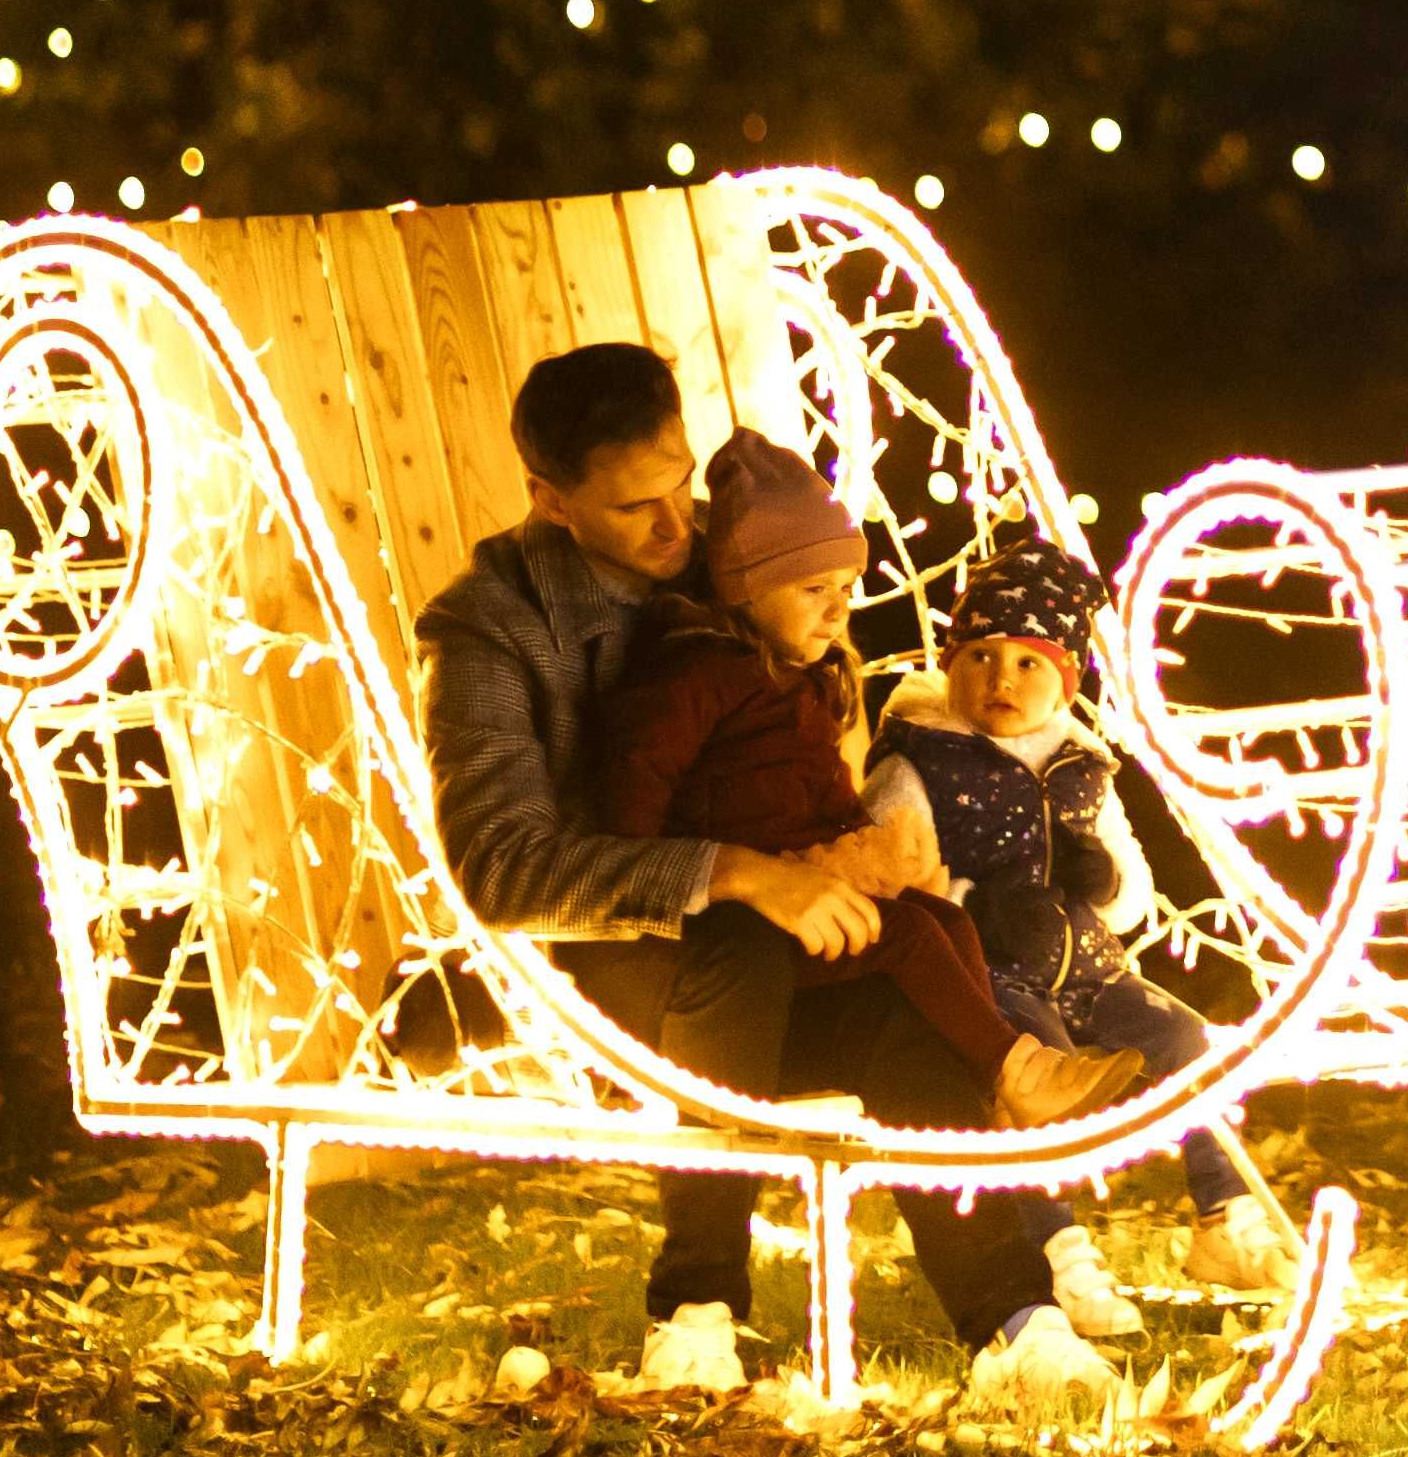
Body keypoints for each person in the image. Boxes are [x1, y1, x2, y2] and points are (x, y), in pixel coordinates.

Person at [416, 342, 1090, 1403]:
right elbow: (498, 869)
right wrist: (736, 873)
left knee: (904, 1000)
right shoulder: (489, 632)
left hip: (795, 942)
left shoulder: (728, 570)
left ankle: (1018, 1321)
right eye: (638, 506)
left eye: (680, 482)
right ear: (551, 500)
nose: (677, 527)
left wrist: (863, 834)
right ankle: (696, 1314)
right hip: (637, 969)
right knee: (739, 936)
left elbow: (806, 724)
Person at [592, 435, 1132, 1136]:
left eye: (845, 590)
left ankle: (992, 1085)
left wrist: (862, 849)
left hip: (810, 887)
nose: (837, 610)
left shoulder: (805, 687)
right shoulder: (698, 677)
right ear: (746, 587)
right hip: (741, 919)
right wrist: (658, 870)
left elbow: (824, 799)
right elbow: (637, 778)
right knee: (906, 933)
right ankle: (1016, 1066)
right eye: (813, 589)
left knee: (943, 918)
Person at [862, 535, 1306, 1334]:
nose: (1002, 679)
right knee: (1038, 1079)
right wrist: (973, 900)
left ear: (1064, 677)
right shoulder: (917, 760)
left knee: (1188, 1041)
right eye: (982, 657)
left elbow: (1134, 893)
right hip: (988, 974)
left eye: (1029, 663)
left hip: (1092, 969)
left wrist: (1099, 878)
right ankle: (1058, 1251)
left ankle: (1224, 1219)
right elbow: (900, 876)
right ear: (951, 661)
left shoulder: (1080, 766)